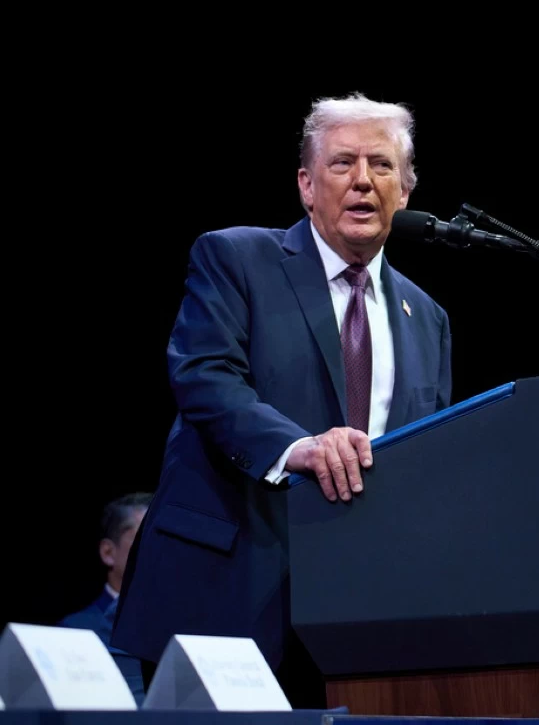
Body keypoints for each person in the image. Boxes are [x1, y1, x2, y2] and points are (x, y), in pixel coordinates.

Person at [111, 93, 452, 708]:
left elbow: (426, 453)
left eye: (381, 166)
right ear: (306, 183)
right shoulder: (236, 257)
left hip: (358, 614)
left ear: (405, 191)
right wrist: (297, 446)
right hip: (224, 588)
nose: (362, 182)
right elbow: (204, 376)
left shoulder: (427, 317)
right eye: (342, 163)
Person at [59, 492, 153, 703]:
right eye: (145, 538)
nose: (158, 552)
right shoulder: (75, 632)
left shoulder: (176, 626)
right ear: (108, 552)